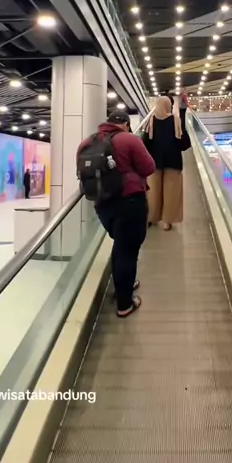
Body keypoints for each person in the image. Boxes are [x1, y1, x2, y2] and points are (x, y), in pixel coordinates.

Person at [77, 109, 155, 318]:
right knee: (127, 251)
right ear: (127, 125)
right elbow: (149, 167)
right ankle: (124, 304)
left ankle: (125, 284)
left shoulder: (87, 143)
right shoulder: (129, 140)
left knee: (121, 246)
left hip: (102, 205)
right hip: (130, 202)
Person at [143, 95, 191, 230]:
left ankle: (151, 218)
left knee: (152, 192)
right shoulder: (175, 120)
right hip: (173, 161)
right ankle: (167, 221)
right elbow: (184, 144)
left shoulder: (150, 121)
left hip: (153, 163)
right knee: (171, 192)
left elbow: (145, 143)